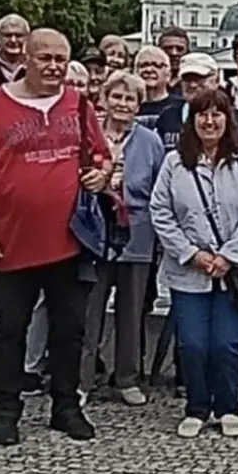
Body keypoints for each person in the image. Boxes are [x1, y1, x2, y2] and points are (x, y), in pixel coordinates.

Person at [0, 29, 110, 446]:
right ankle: (6, 410)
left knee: (70, 328)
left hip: (70, 242)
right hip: (12, 242)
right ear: (25, 57)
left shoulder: (78, 104)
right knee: (10, 330)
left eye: (60, 58)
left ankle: (66, 406)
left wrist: (100, 173)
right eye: (44, 57)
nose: (53, 66)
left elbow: (100, 155)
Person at [148, 88, 238, 437]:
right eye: (202, 114)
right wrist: (191, 253)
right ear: (192, 120)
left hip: (231, 271)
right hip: (190, 271)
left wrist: (230, 255)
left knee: (226, 344)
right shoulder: (175, 162)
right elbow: (161, 211)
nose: (210, 120)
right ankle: (197, 407)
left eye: (217, 113)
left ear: (227, 119)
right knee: (193, 343)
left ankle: (228, 405)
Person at [82, 71, 165, 406]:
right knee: (89, 311)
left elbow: (160, 189)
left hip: (137, 234)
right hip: (95, 235)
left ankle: (127, 378)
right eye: (116, 96)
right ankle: (82, 380)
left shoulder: (151, 141)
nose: (122, 104)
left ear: (138, 105)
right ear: (104, 99)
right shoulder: (89, 136)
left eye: (130, 98)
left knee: (131, 311)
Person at [156, 53, 238, 153]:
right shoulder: (167, 116)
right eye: (187, 79)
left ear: (216, 80)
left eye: (200, 78)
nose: (193, 84)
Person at [0, 14, 30, 85]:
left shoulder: (34, 66)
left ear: (27, 38)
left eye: (19, 35)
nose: (13, 40)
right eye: (7, 35)